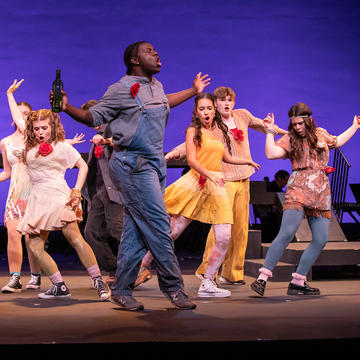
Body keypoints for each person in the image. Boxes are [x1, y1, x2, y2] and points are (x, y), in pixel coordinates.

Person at [50, 41, 210, 310]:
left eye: (156, 51)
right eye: (149, 52)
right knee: (159, 224)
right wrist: (66, 108)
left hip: (155, 164)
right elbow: (93, 116)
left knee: (136, 230)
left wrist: (193, 91)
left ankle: (122, 289)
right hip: (132, 165)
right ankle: (173, 287)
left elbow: (165, 102)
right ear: (135, 60)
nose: (156, 54)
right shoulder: (121, 89)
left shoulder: (155, 87)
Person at [160, 86, 287, 286]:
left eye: (230, 99)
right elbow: (191, 143)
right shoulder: (212, 126)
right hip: (223, 181)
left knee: (240, 229)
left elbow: (265, 127)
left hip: (244, 178)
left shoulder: (242, 116)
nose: (226, 103)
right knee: (220, 228)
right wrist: (173, 153)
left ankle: (232, 273)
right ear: (216, 104)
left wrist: (287, 134)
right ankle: (206, 271)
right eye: (222, 100)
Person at [138, 92, 260, 297]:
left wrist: (246, 161)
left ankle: (208, 282)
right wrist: (209, 175)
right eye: (202, 108)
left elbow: (227, 156)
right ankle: (140, 267)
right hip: (197, 183)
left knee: (224, 236)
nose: (206, 112)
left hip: (216, 185)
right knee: (173, 232)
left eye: (209, 108)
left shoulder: (218, 131)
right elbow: (193, 161)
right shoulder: (193, 131)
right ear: (196, 111)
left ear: (214, 110)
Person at [250, 102, 360, 296]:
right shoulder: (290, 139)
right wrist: (268, 132)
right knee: (286, 232)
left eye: (300, 123)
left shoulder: (321, 134)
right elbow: (271, 154)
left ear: (308, 120)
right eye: (294, 124)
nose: (297, 127)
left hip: (320, 192)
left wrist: (355, 127)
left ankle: (298, 281)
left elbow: (338, 142)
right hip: (298, 189)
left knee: (320, 239)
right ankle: (262, 279)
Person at [17, 109, 110, 301]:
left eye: (44, 128)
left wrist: (76, 190)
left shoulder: (62, 147)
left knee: (75, 239)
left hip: (59, 196)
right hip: (37, 199)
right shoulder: (28, 148)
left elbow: (82, 166)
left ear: (52, 127)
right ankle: (59, 285)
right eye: (36, 129)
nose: (40, 132)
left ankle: (98, 280)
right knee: (34, 246)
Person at [81, 100, 124, 286]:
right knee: (92, 232)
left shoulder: (113, 127)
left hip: (114, 189)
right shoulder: (97, 135)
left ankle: (136, 268)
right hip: (98, 192)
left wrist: (105, 140)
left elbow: (124, 141)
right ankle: (115, 268)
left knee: (119, 230)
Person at [256, 170, 289, 242]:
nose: (286, 182)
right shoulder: (269, 187)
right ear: (279, 178)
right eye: (285, 180)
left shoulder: (280, 189)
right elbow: (263, 202)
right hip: (269, 215)